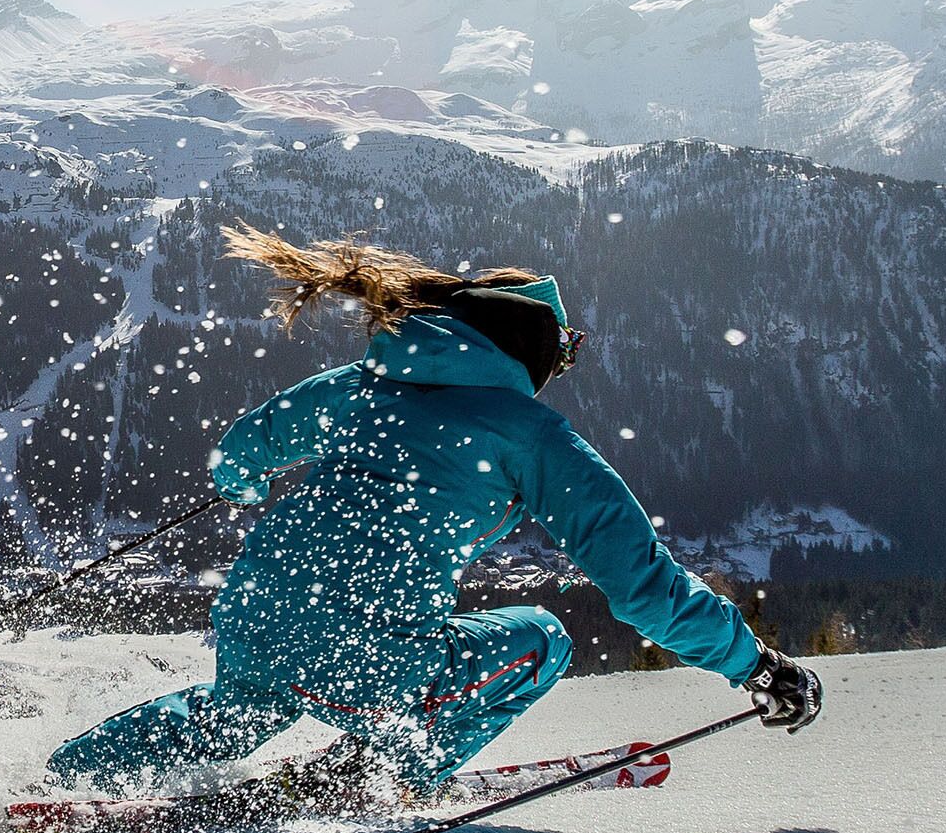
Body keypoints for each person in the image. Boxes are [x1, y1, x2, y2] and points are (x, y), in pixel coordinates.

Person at [47, 226, 821, 795]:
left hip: (255, 614)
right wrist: (753, 665)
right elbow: (643, 587)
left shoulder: (359, 383)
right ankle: (382, 778)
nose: (565, 366)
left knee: (245, 706)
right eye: (566, 350)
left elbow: (245, 447)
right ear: (529, 350)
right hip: (362, 650)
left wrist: (244, 485)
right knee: (542, 640)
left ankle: (62, 779)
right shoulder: (531, 434)